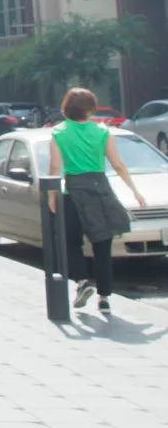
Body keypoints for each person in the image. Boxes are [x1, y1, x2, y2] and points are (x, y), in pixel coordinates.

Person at [48, 86, 145, 316]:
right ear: (90, 110)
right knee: (103, 244)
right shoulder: (103, 132)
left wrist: (52, 195)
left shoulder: (59, 133)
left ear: (66, 109)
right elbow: (118, 163)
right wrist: (134, 191)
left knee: (71, 241)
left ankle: (82, 281)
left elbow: (54, 167)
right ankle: (104, 298)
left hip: (72, 192)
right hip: (100, 190)